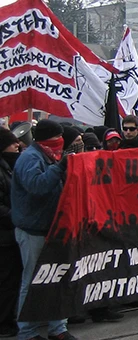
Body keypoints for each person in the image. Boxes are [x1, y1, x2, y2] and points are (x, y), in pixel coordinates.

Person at [11, 120, 82, 340]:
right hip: (34, 230)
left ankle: (57, 327)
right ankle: (27, 331)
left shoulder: (48, 155)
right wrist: (60, 168)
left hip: (53, 227)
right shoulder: (30, 158)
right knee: (31, 281)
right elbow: (37, 186)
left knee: (58, 277)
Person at [0, 128, 21, 338]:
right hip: (4, 235)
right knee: (7, 281)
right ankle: (4, 323)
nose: (17, 146)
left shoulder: (7, 166)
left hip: (8, 234)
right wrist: (17, 216)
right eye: (12, 143)